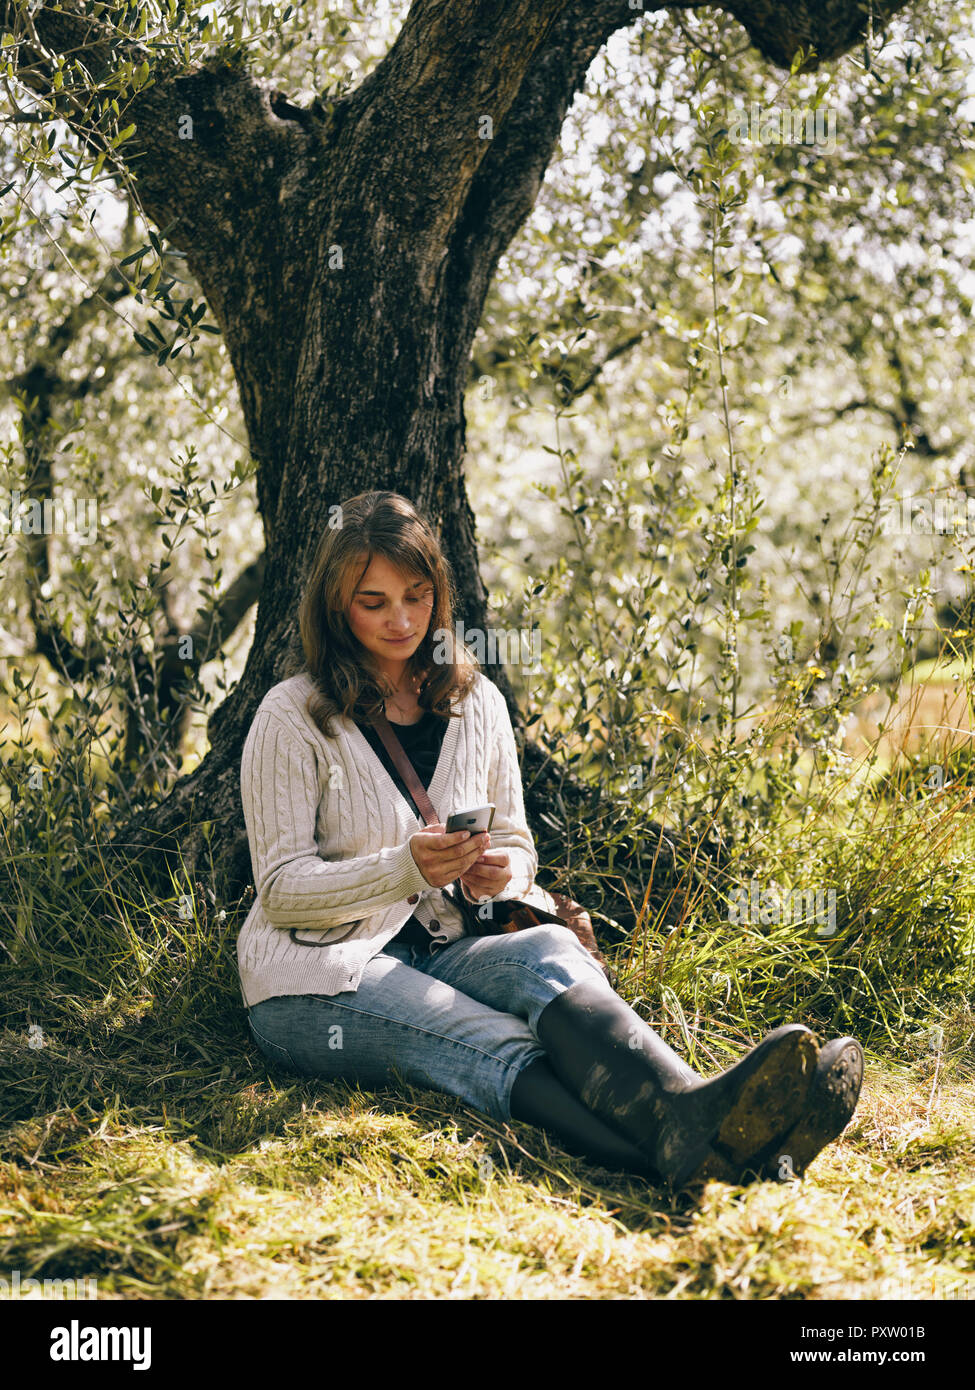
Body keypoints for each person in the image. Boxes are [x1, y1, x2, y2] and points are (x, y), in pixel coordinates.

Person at [237, 490, 863, 1190]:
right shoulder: (292, 716)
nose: (402, 620)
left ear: (439, 593)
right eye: (373, 602)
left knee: (547, 949)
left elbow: (515, 841)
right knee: (487, 1039)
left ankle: (692, 1108)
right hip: (319, 977)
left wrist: (497, 876)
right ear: (334, 606)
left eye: (416, 596)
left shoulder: (476, 702)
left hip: (448, 947)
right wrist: (400, 868)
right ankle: (683, 1158)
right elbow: (284, 892)